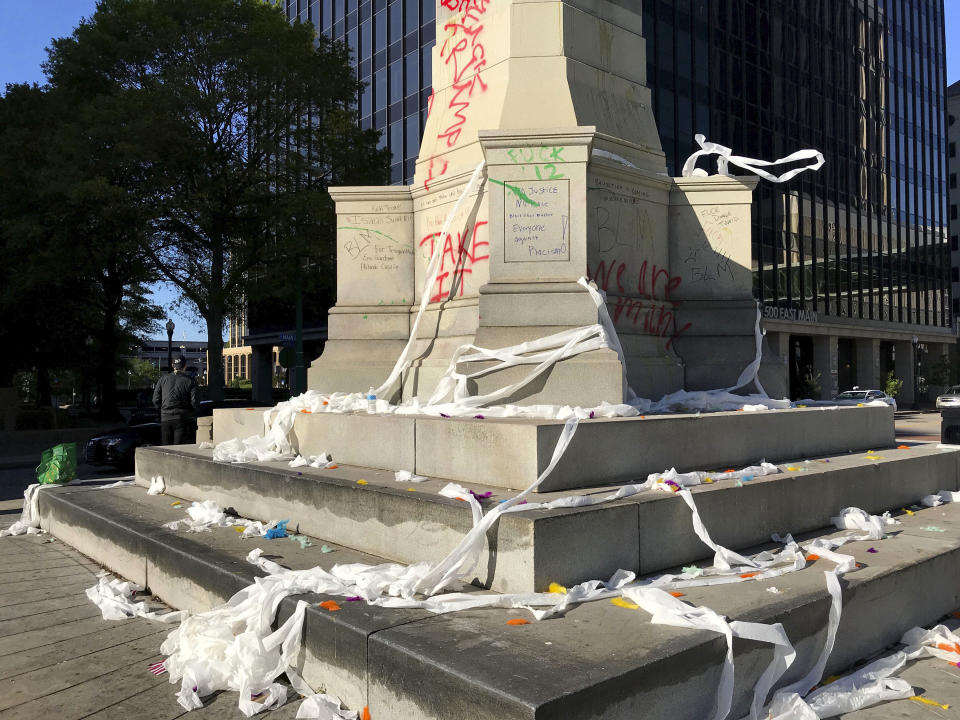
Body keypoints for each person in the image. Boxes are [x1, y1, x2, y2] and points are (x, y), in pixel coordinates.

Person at [153, 356, 199, 445]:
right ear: (185, 366)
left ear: (172, 365)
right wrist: (190, 412)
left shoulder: (163, 379)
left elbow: (155, 399)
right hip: (181, 417)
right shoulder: (190, 381)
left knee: (166, 448)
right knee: (179, 448)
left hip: (165, 417)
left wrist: (161, 411)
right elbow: (195, 401)